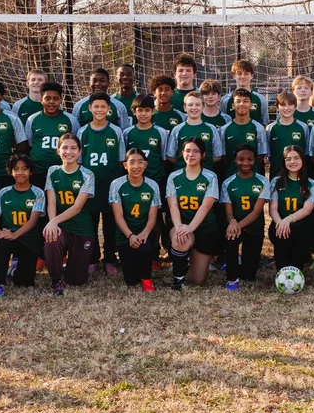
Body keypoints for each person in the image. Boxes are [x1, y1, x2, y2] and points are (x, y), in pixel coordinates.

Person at [77, 92, 126, 276]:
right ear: (90, 108)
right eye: (96, 106)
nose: (99, 110)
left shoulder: (116, 131)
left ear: (109, 109)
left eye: (103, 107)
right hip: (90, 186)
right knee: (90, 223)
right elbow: (79, 162)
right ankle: (92, 258)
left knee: (110, 224)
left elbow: (121, 160)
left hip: (110, 185)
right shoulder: (82, 132)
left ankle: (110, 259)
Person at [42, 133, 98, 295]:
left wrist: (53, 221)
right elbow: (51, 201)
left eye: (73, 148)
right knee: (51, 239)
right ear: (58, 150)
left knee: (76, 281)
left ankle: (71, 266)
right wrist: (53, 223)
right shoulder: (52, 171)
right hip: (62, 226)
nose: (69, 151)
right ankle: (56, 280)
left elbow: (77, 207)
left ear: (80, 152)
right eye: (64, 147)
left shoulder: (88, 175)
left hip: (82, 227)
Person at [166, 137, 223, 290]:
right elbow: (173, 205)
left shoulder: (210, 177)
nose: (191, 155)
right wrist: (179, 228)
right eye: (188, 150)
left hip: (204, 228)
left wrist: (191, 227)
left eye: (196, 151)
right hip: (181, 225)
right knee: (181, 239)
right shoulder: (174, 176)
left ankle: (185, 263)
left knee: (198, 280)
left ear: (203, 155)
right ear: (182, 153)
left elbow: (205, 206)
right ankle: (178, 279)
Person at [0, 155, 45, 297]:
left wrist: (14, 235)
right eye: (16, 169)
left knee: (24, 282)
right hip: (8, 236)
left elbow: (32, 221)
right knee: (2, 245)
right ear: (11, 172)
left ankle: (14, 270)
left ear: (31, 172)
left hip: (28, 239)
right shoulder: (4, 192)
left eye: (24, 169)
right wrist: (0, 234)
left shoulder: (38, 193)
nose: (20, 172)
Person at [109, 147, 161, 291]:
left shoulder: (152, 185)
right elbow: (118, 216)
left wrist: (144, 234)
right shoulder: (116, 185)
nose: (136, 166)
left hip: (144, 231)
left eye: (140, 162)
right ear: (125, 165)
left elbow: (152, 216)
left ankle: (147, 279)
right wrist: (130, 236)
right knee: (131, 281)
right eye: (132, 162)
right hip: (125, 234)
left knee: (145, 251)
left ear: (145, 164)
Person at [222, 145, 269, 290]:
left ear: (255, 160)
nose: (245, 162)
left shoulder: (263, 181)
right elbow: (228, 212)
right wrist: (232, 223)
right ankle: (232, 278)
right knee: (231, 241)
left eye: (250, 159)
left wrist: (237, 225)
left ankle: (243, 266)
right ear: (235, 160)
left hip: (254, 227)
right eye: (241, 159)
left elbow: (256, 212)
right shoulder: (228, 183)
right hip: (234, 228)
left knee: (249, 276)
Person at [269, 144, 314, 278]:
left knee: (296, 267)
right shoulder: (276, 182)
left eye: (296, 158)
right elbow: (272, 208)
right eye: (288, 159)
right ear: (283, 162)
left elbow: (307, 210)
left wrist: (287, 220)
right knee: (283, 268)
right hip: (280, 229)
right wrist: (280, 223)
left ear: (303, 159)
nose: (292, 162)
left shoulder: (311, 184)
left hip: (301, 229)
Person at [23, 82, 76, 179]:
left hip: (62, 171)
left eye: (55, 99)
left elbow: (75, 144)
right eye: (47, 98)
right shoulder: (32, 119)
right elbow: (30, 143)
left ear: (61, 100)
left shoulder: (71, 120)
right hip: (37, 171)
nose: (51, 102)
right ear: (41, 100)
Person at [166, 91, 224, 170]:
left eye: (197, 104)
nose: (194, 108)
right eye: (190, 105)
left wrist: (201, 164)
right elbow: (170, 156)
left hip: (205, 175)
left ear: (203, 107)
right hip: (182, 176)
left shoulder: (211, 128)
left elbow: (217, 155)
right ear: (185, 107)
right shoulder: (177, 129)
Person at [221, 89, 268, 177]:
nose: (242, 104)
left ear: (250, 105)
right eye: (238, 101)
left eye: (245, 101)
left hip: (253, 179)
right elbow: (223, 157)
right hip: (230, 178)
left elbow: (261, 157)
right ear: (233, 105)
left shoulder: (259, 128)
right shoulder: (224, 130)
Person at [267, 90, 311, 170]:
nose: (287, 108)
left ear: (295, 106)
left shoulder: (303, 127)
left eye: (290, 104)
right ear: (277, 107)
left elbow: (307, 152)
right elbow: (268, 154)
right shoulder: (270, 128)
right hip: (277, 173)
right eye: (283, 105)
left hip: (299, 174)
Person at [222, 59, 271, 123]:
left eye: (246, 73)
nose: (243, 76)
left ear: (252, 76)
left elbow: (264, 124)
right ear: (234, 76)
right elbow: (223, 123)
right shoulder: (225, 100)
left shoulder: (261, 100)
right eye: (239, 73)